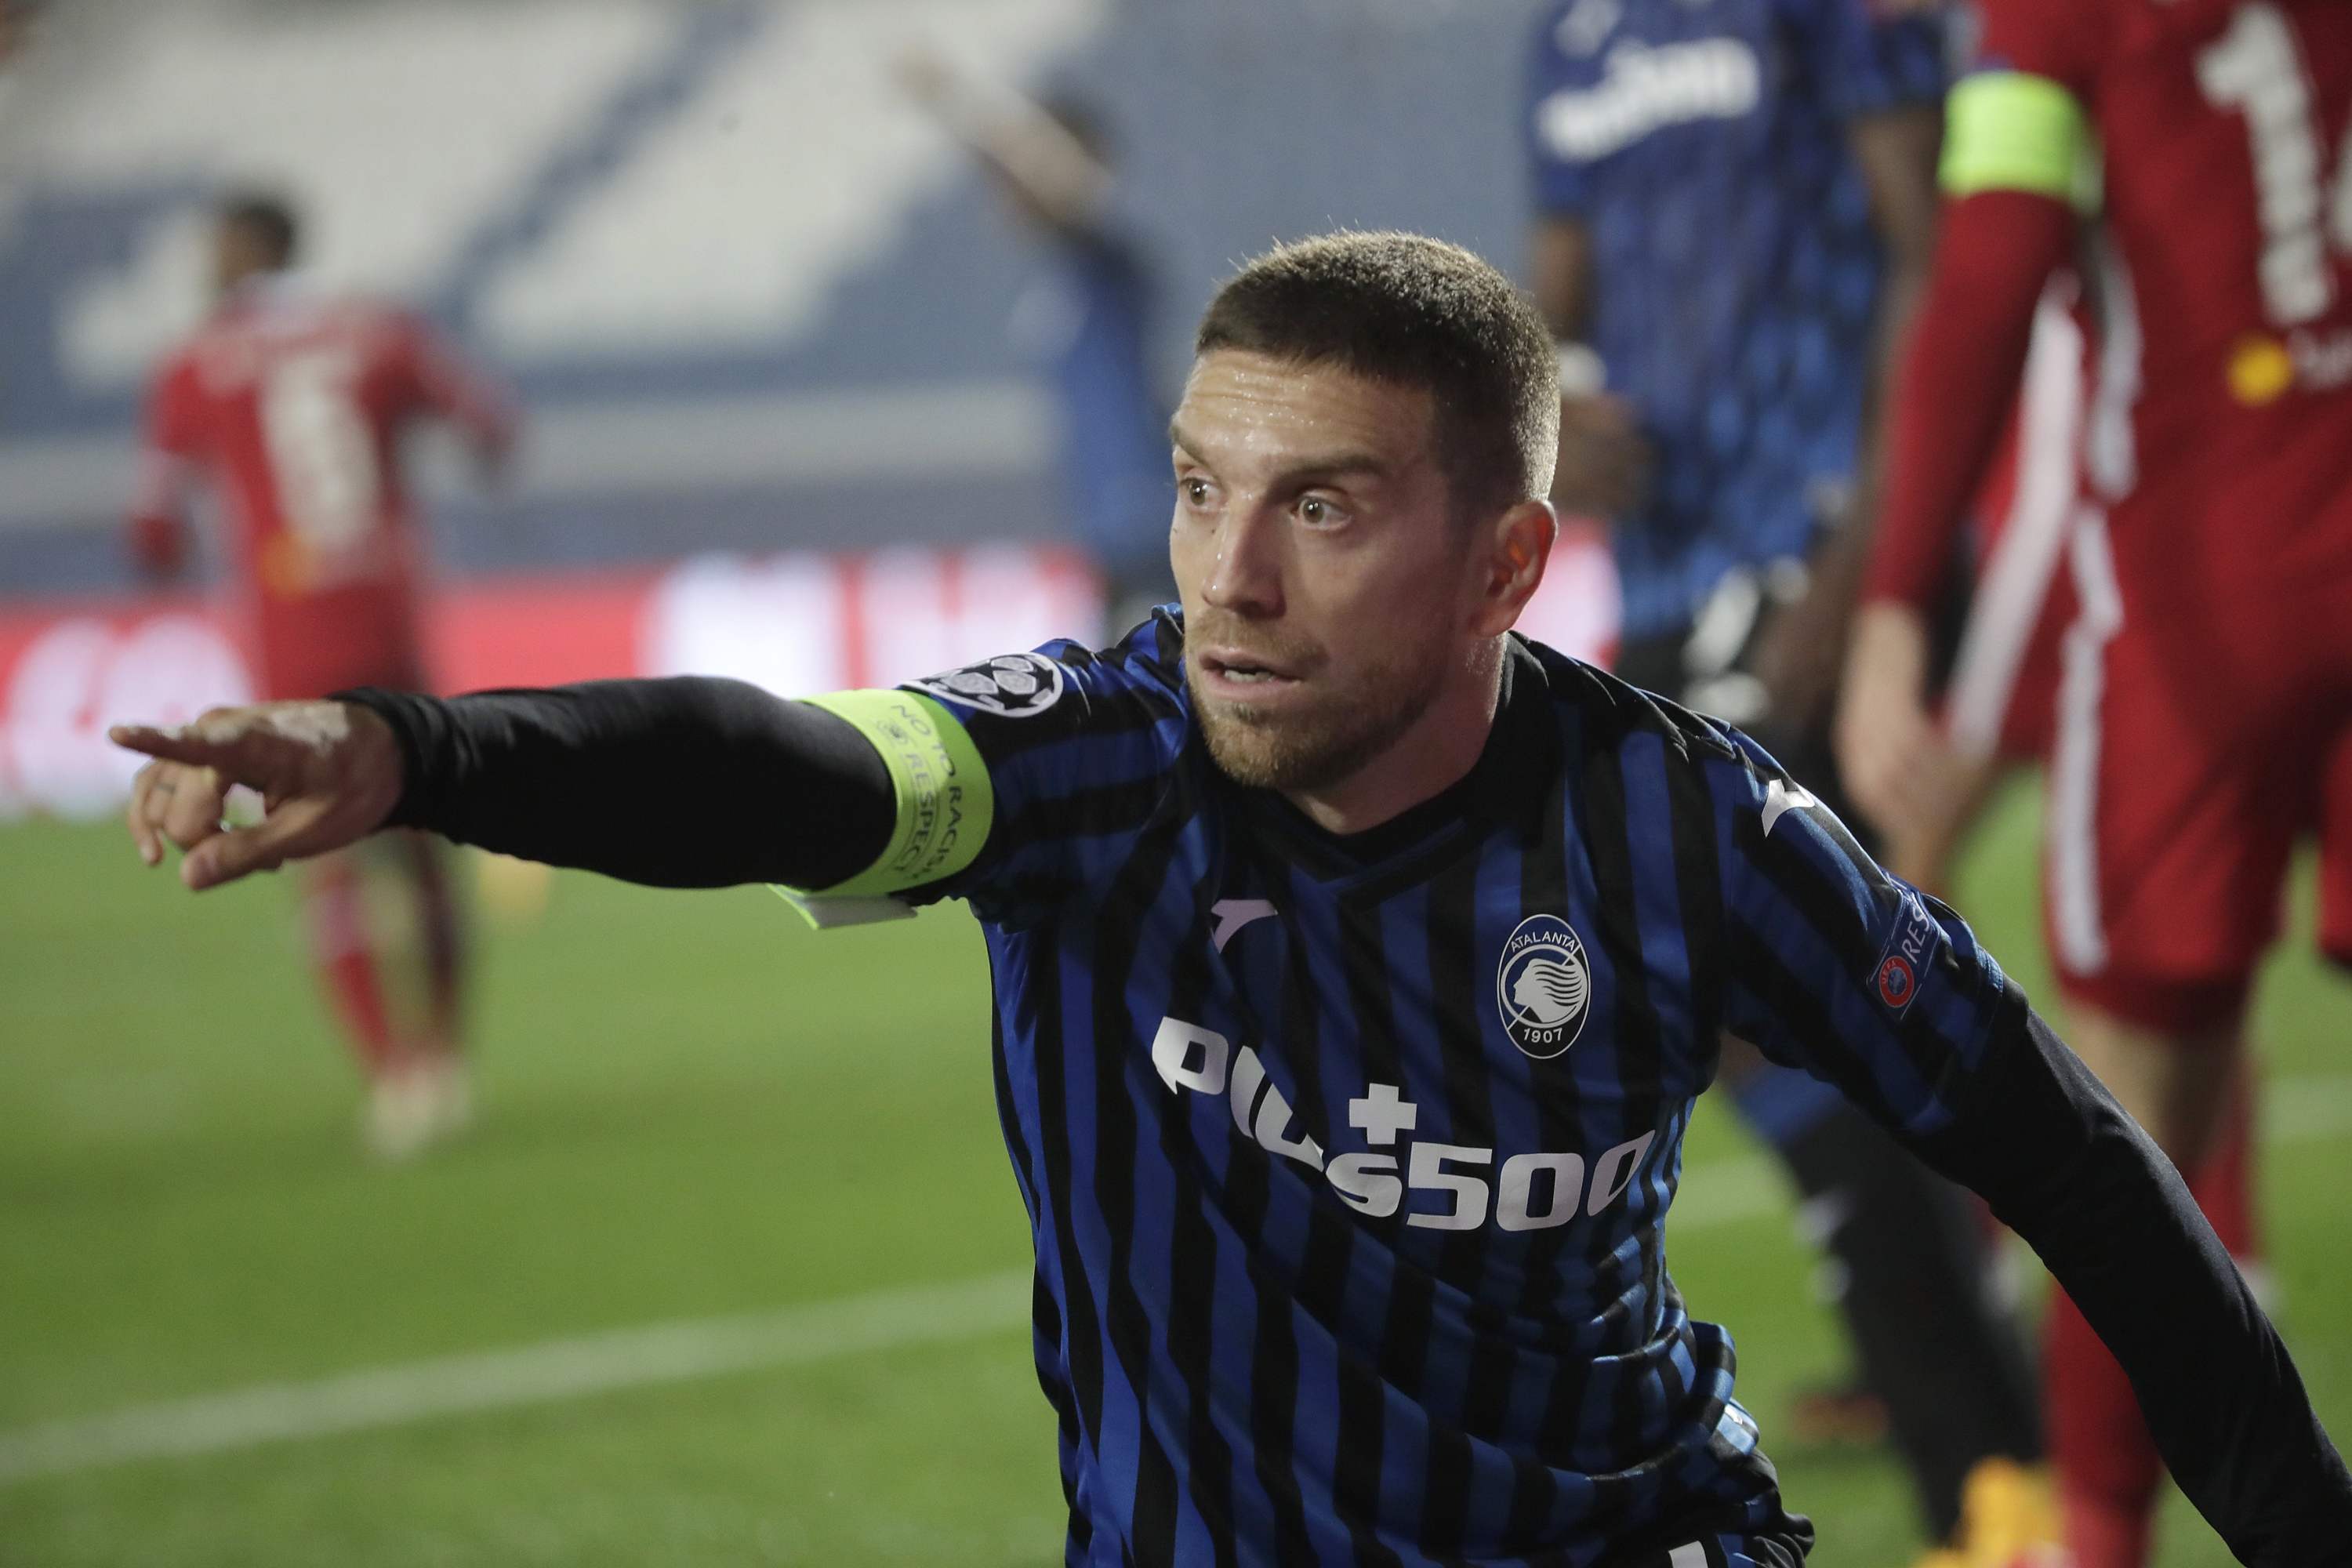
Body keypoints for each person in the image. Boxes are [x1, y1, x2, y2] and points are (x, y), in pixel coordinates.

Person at [112, 233, 2348, 1567]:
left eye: (1324, 507)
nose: (1229, 579)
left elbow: (2055, 1144)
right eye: (1202, 490)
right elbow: (779, 766)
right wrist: (418, 752)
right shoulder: (1095, 759)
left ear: (1502, 567)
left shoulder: (1695, 833)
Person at [1523, 2, 2049, 1549]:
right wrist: (1543, 395)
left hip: (1822, 541)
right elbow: (1553, 295)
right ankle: (1994, 1443)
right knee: (1769, 1018)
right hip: (1673, 581)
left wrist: (1866, 556)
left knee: (1779, 984)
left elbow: (1924, 250)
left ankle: (1990, 1478)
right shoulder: (1567, 37)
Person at [1836, 3, 2352, 1562]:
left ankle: (2100, 1535)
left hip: (2218, 586)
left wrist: (1891, 601)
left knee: (2129, 1135)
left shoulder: (2053, 19)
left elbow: (1993, 270)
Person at [126, 191, 517, 1159]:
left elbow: (151, 526)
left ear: (245, 249)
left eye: (216, 241)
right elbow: (490, 427)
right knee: (425, 832)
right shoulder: (376, 329)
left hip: (292, 634)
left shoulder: (199, 360)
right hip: (389, 618)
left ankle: (396, 1074)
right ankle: (446, 1054)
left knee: (323, 849)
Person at [898, 50, 1177, 637]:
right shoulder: (1066, 276)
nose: (1003, 192)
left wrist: (959, 103)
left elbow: (1066, 180)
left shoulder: (1105, 260)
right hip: (1116, 543)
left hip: (1154, 534)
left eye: (1012, 175)